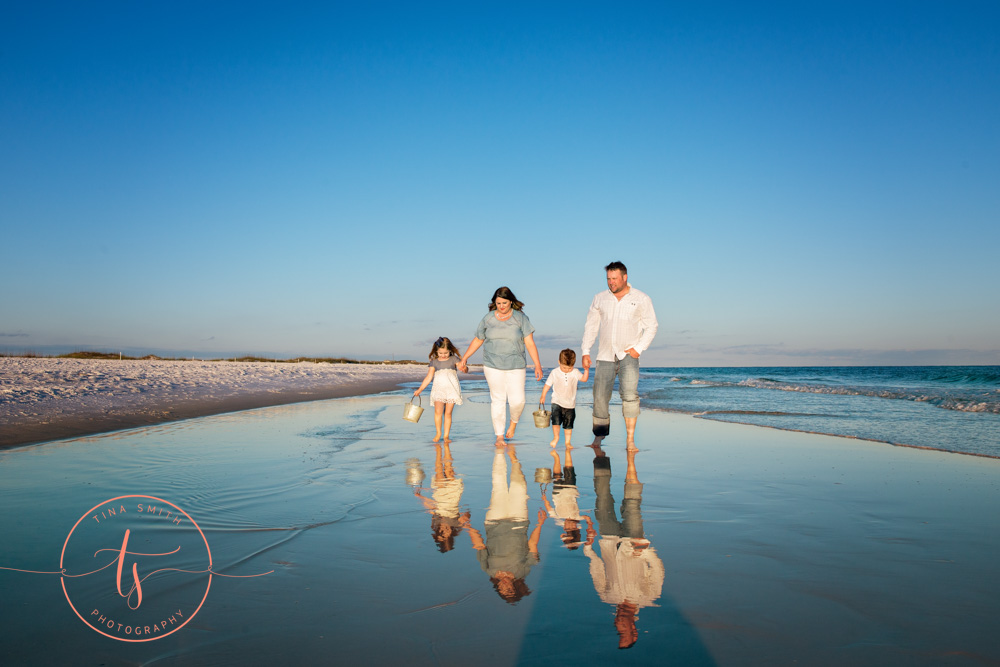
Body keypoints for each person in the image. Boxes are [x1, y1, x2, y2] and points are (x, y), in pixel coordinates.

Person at [581, 261, 658, 447]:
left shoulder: (641, 298)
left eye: (614, 279)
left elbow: (652, 326)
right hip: (605, 354)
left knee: (630, 396)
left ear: (625, 277)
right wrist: (585, 350)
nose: (611, 282)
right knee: (599, 396)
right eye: (608, 279)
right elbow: (591, 326)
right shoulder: (600, 298)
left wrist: (638, 349)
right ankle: (599, 437)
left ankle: (630, 440)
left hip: (629, 355)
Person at [458, 287, 543, 447]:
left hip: (516, 365)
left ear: (511, 301)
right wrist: (465, 358)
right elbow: (478, 339)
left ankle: (513, 422)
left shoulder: (521, 318)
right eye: (498, 303)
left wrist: (537, 365)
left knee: (518, 401)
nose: (502, 306)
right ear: (494, 303)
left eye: (504, 302)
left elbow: (530, 342)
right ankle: (499, 436)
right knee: (497, 399)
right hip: (492, 365)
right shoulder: (488, 319)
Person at [413, 337, 463, 442]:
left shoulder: (454, 359)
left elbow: (463, 368)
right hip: (438, 389)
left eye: (446, 353)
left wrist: (465, 368)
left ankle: (446, 436)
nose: (443, 355)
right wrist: (420, 389)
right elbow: (429, 377)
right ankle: (438, 433)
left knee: (448, 413)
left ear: (450, 351)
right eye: (440, 353)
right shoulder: (434, 362)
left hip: (452, 389)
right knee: (438, 412)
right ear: (436, 351)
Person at [539, 348, 589, 448]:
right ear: (559, 362)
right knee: (556, 422)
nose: (567, 370)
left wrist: (586, 370)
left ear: (573, 365)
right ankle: (556, 437)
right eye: (564, 367)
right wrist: (543, 395)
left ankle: (567, 442)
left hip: (570, 404)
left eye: (569, 368)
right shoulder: (555, 372)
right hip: (556, 401)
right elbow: (547, 384)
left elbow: (583, 379)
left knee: (568, 425)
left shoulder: (575, 372)